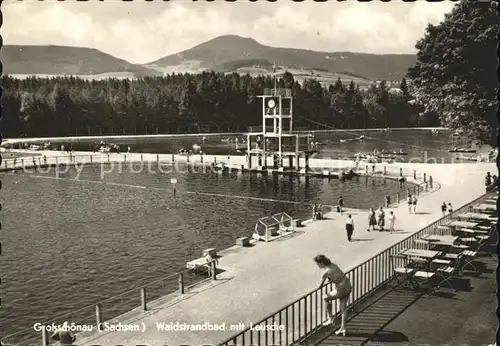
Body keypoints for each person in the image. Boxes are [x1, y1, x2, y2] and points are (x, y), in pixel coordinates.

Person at [314, 254, 352, 336]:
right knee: (343, 308)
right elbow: (337, 274)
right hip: (347, 285)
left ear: (321, 263)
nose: (317, 265)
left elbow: (319, 286)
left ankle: (331, 318)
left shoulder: (326, 272)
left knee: (325, 298)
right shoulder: (333, 265)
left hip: (341, 288)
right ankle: (343, 328)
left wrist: (317, 286)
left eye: (318, 264)